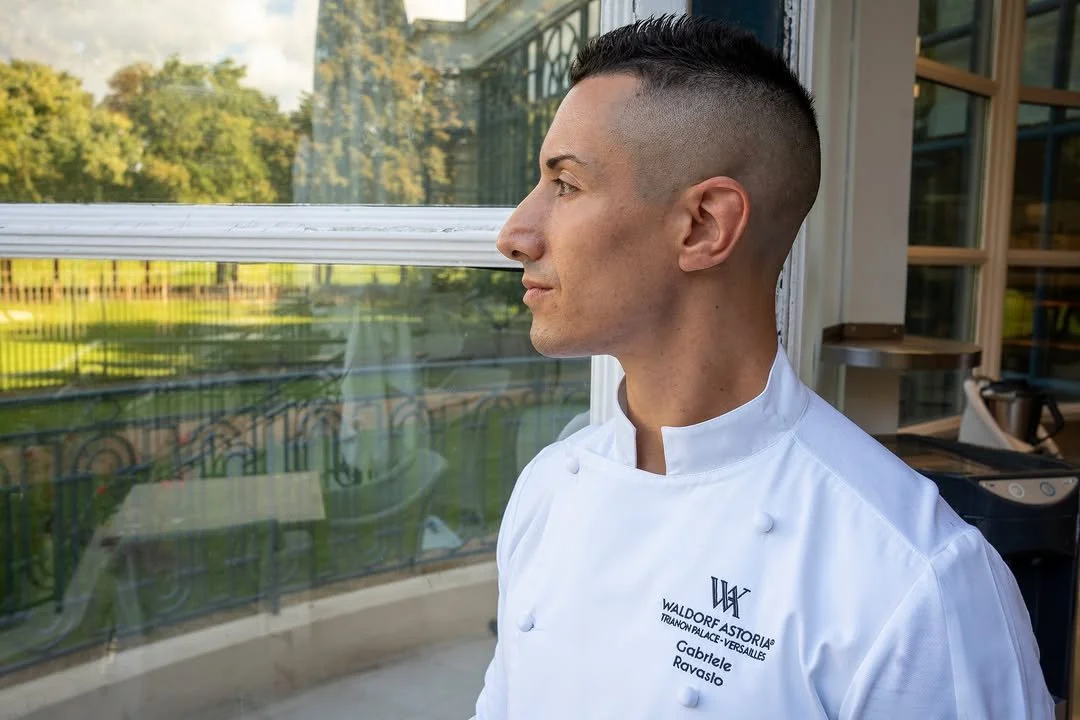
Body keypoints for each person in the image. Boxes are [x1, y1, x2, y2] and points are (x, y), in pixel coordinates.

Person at [472, 13, 1054, 720]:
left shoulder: (914, 582)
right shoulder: (547, 493)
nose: (515, 234)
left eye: (564, 185)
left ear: (704, 225)